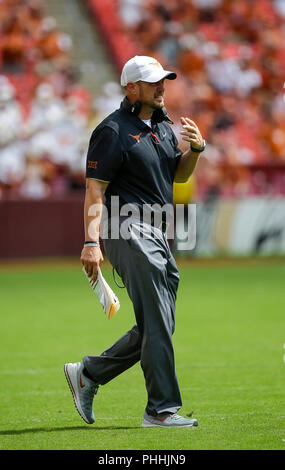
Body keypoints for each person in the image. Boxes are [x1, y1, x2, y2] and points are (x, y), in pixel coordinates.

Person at [64, 55, 206, 428]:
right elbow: (95, 190)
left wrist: (194, 150)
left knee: (159, 322)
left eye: (164, 80)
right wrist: (91, 242)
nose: (162, 86)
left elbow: (176, 174)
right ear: (132, 88)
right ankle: (160, 410)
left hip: (158, 231)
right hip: (126, 230)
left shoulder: (162, 126)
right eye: (154, 81)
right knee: (159, 319)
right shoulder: (111, 131)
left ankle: (89, 374)